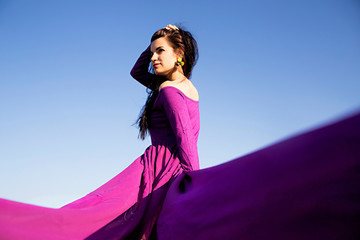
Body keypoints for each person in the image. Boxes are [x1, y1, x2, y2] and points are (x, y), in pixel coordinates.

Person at [0, 24, 200, 240]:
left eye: (160, 51)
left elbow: (185, 138)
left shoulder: (169, 90)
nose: (153, 58)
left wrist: (194, 181)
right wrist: (156, 41)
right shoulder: (185, 88)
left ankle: (18, 226)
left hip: (158, 170)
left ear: (179, 53)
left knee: (97, 212)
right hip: (167, 169)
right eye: (152, 52)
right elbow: (137, 72)